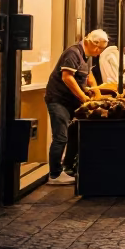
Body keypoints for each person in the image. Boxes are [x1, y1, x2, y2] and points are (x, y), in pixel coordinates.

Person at [44, 29, 108, 185]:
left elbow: (89, 76)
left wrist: (96, 91)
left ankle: (67, 168)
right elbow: (67, 77)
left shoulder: (86, 56)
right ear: (93, 44)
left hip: (72, 102)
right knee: (61, 136)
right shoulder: (73, 53)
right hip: (59, 100)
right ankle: (54, 174)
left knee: (74, 133)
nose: (99, 52)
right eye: (100, 48)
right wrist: (83, 97)